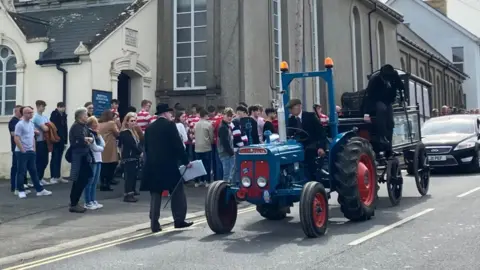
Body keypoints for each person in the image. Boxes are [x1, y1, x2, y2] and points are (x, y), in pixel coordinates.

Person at [140, 103, 193, 233]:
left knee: (155, 193)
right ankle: (179, 220)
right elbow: (178, 145)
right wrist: (186, 161)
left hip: (152, 165)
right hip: (168, 165)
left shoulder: (150, 128)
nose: (171, 116)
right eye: (170, 113)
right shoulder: (170, 126)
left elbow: (145, 147)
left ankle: (154, 223)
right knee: (177, 191)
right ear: (165, 114)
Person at [14, 106, 53, 198]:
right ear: (24, 114)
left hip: (31, 151)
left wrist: (33, 149)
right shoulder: (20, 124)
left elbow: (32, 137)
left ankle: (39, 190)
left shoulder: (31, 124)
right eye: (29, 112)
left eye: (32, 112)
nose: (31, 114)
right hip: (21, 152)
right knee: (21, 171)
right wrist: (23, 150)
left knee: (33, 171)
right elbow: (16, 138)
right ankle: (21, 190)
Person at [364, 64, 404, 149]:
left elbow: (401, 87)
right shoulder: (375, 79)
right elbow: (369, 96)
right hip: (376, 101)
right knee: (382, 110)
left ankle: (389, 140)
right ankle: (382, 136)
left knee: (390, 120)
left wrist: (397, 79)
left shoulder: (393, 76)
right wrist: (366, 113)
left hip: (387, 101)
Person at [287, 99, 326, 181]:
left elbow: (321, 133)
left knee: (309, 157)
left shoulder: (310, 116)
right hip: (298, 146)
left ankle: (313, 179)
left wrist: (321, 147)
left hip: (311, 144)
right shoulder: (291, 120)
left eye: (292, 108)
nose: (290, 110)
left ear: (299, 106)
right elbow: (289, 133)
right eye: (289, 109)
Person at [69, 107, 94, 213]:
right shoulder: (76, 127)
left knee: (86, 177)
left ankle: (75, 201)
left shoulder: (84, 127)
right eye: (85, 115)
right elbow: (81, 140)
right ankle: (74, 203)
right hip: (79, 156)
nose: (87, 117)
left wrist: (88, 139)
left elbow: (91, 137)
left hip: (85, 155)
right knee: (79, 179)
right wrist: (87, 140)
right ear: (80, 117)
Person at [119, 112, 142, 202]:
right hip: (129, 156)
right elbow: (131, 144)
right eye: (131, 121)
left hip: (133, 156)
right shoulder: (125, 133)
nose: (133, 122)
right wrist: (140, 152)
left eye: (135, 121)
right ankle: (128, 194)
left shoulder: (133, 131)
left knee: (133, 175)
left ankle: (131, 192)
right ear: (127, 122)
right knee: (129, 176)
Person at [84, 116, 105, 210]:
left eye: (97, 123)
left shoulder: (97, 134)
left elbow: (103, 144)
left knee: (95, 182)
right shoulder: (90, 133)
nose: (96, 125)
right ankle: (87, 201)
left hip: (99, 159)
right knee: (90, 181)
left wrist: (99, 138)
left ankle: (93, 200)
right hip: (93, 160)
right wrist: (102, 148)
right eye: (94, 123)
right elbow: (95, 148)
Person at [98, 110, 120, 191]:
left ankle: (102, 183)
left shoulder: (99, 123)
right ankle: (107, 183)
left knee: (103, 166)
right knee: (111, 165)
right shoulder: (111, 123)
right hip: (110, 146)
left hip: (101, 146)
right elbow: (117, 133)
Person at [9, 105, 29, 193]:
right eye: (21, 111)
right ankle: (15, 187)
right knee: (16, 168)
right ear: (16, 111)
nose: (22, 113)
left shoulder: (20, 121)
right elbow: (14, 134)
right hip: (16, 148)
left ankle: (21, 186)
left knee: (21, 168)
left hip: (23, 147)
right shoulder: (13, 121)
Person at [32, 100, 51, 186]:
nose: (44, 108)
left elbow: (51, 125)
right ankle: (37, 179)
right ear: (38, 106)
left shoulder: (44, 117)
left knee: (45, 161)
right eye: (43, 106)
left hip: (45, 141)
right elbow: (46, 128)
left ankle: (40, 177)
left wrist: (48, 126)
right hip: (39, 142)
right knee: (39, 162)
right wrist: (48, 126)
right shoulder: (36, 117)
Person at [49, 102, 69, 184]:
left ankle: (58, 176)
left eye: (64, 107)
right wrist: (55, 137)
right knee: (55, 157)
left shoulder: (64, 115)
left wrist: (65, 141)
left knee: (59, 158)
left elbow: (65, 128)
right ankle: (53, 176)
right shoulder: (54, 114)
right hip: (55, 139)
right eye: (62, 107)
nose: (63, 109)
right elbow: (53, 127)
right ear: (58, 107)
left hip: (62, 139)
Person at [194, 109, 214, 187]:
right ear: (205, 115)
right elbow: (211, 136)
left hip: (197, 147)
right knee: (207, 165)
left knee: (198, 165)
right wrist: (211, 142)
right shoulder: (208, 124)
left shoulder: (196, 124)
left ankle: (198, 181)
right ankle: (207, 181)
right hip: (206, 147)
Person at [217, 108, 235, 183]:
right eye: (228, 116)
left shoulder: (225, 126)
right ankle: (226, 190)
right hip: (226, 154)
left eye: (231, 116)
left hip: (226, 153)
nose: (230, 118)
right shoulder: (223, 127)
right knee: (228, 174)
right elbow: (225, 142)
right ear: (223, 115)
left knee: (228, 173)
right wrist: (231, 152)